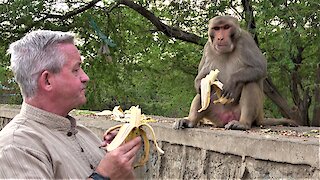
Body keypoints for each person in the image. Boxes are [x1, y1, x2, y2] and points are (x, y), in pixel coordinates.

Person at [0, 30, 142, 179]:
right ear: (47, 80)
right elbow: (105, 175)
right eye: (75, 69)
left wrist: (119, 160)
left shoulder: (83, 134)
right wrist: (102, 176)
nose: (85, 77)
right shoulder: (16, 147)